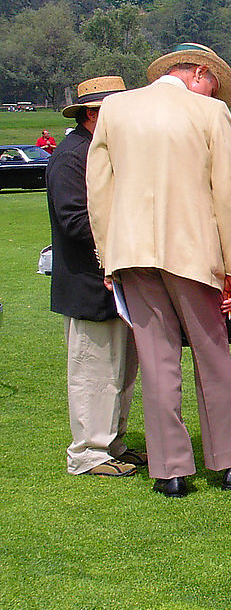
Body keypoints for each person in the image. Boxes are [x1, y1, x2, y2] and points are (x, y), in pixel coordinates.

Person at [87, 43, 231, 499]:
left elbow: (98, 190)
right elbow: (228, 196)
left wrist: (106, 257)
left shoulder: (115, 109)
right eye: (216, 83)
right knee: (213, 354)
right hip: (194, 250)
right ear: (199, 72)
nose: (217, 92)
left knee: (156, 361)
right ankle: (230, 461)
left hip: (132, 250)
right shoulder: (210, 113)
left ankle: (170, 469)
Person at [47, 75, 144, 478]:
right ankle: (88, 453)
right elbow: (75, 221)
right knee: (94, 372)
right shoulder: (72, 156)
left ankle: (112, 444)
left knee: (120, 371)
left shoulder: (98, 150)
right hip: (89, 281)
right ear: (93, 114)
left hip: (114, 277)